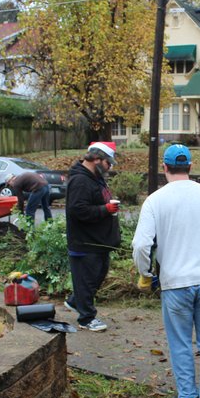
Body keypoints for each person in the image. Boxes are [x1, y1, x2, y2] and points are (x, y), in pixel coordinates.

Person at [132, 144, 200, 398]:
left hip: (176, 282)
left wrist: (145, 273)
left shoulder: (155, 201)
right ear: (191, 166)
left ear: (164, 168)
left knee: (181, 344)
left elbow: (141, 245)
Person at [64, 142, 121, 332]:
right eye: (107, 163)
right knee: (87, 279)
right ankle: (86, 318)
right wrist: (105, 209)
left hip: (98, 240)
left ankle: (75, 301)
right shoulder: (80, 181)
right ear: (96, 159)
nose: (109, 167)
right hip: (85, 241)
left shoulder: (94, 178)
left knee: (98, 273)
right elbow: (77, 210)